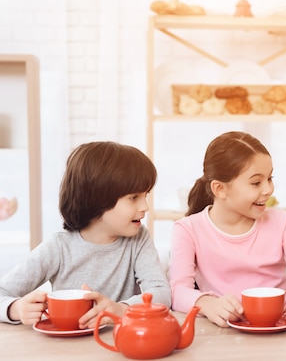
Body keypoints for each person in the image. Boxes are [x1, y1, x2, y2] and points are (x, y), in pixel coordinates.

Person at [168, 131, 286, 327]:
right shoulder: (188, 229)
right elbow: (178, 291)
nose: (268, 189)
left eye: (270, 178)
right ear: (220, 189)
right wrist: (207, 304)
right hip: (222, 336)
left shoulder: (283, 222)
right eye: (256, 182)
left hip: (279, 331)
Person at [0, 141, 171, 328]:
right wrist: (15, 308)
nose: (145, 206)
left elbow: (161, 293)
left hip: (120, 347)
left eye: (145, 195)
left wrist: (120, 309)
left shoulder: (138, 239)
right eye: (133, 198)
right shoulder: (58, 247)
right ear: (98, 198)